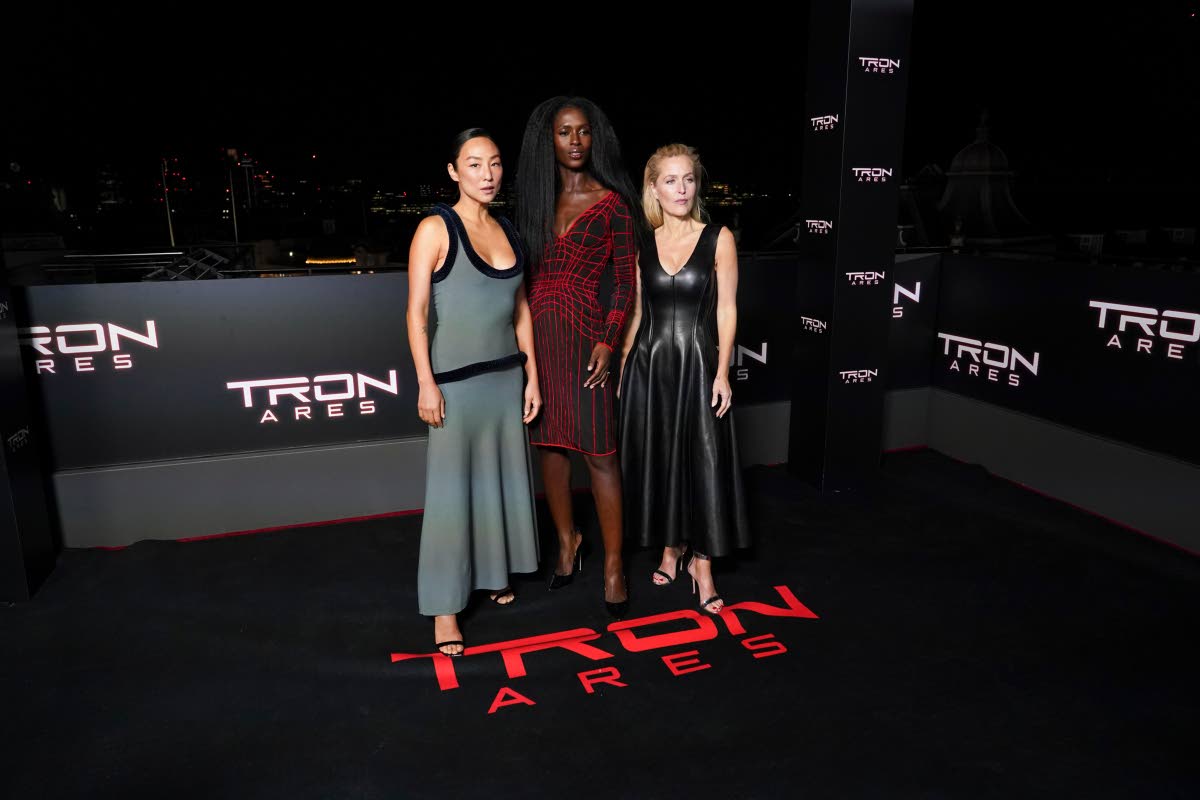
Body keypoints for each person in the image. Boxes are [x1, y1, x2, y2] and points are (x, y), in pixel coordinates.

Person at [406, 129, 542, 656]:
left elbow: (521, 310)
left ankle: (493, 573)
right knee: (449, 495)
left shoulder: (508, 229)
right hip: (455, 385)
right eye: (475, 164)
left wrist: (532, 376)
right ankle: (444, 609)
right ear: (453, 171)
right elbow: (417, 315)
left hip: (505, 376)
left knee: (498, 482)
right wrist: (425, 382)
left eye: (495, 164)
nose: (487, 174)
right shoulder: (434, 228)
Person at [516, 96, 642, 618]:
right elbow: (519, 281)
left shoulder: (613, 203)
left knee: (601, 456)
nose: (574, 141)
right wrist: (522, 356)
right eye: (565, 131)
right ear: (550, 139)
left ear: (595, 139)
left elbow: (626, 285)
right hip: (539, 345)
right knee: (549, 448)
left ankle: (613, 564)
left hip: (589, 341)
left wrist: (609, 342)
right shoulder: (533, 202)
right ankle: (567, 541)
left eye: (583, 131)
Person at [617, 143, 751, 614]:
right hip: (651, 368)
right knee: (661, 459)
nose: (681, 188)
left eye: (688, 179)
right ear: (653, 187)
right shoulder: (641, 241)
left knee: (703, 461)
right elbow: (635, 314)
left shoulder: (719, 237)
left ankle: (702, 562)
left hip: (698, 364)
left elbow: (729, 309)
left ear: (697, 184)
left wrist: (722, 370)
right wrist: (623, 371)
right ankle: (670, 549)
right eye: (670, 180)